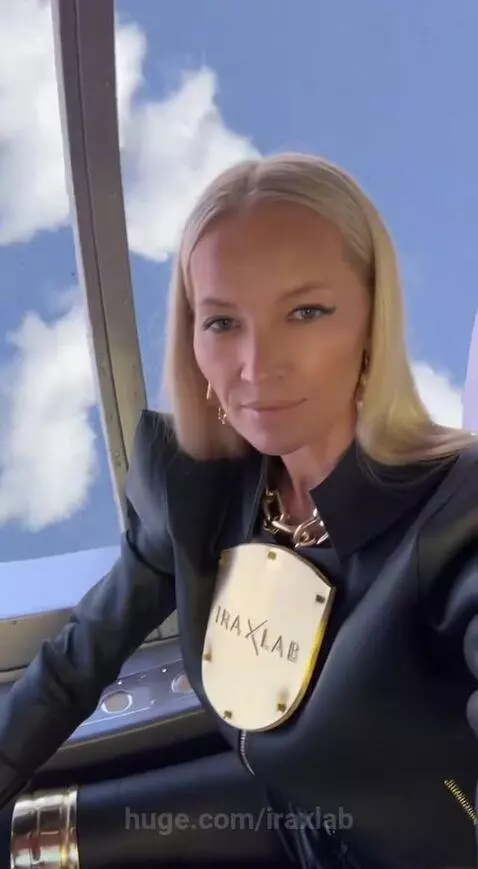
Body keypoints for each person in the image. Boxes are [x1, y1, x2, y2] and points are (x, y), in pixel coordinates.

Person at [1, 152, 477, 869]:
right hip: (276, 807)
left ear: (374, 319)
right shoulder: (195, 490)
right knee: (20, 846)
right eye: (223, 322)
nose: (257, 366)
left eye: (306, 311)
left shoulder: (454, 516)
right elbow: (75, 663)